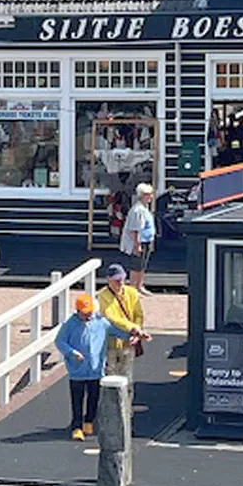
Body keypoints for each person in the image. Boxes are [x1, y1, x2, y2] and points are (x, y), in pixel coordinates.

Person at [55, 293, 134, 441]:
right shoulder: (70, 324)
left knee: (94, 398)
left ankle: (89, 421)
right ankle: (76, 427)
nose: (88, 316)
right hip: (77, 371)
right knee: (77, 400)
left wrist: (133, 335)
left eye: (90, 312)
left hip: (96, 369)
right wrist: (72, 353)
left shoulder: (100, 322)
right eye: (85, 314)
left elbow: (116, 331)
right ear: (77, 311)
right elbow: (60, 341)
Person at [97, 264, 151, 390]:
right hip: (111, 344)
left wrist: (137, 330)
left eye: (122, 279)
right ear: (108, 279)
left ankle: (127, 408)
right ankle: (111, 408)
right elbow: (111, 317)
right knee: (110, 378)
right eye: (116, 280)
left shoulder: (131, 292)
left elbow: (139, 314)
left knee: (127, 379)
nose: (120, 283)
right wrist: (134, 329)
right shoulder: (103, 296)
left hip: (129, 343)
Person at [121, 183, 157, 295]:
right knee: (136, 265)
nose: (151, 197)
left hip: (147, 240)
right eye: (149, 194)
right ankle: (133, 288)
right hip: (139, 241)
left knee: (142, 265)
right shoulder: (137, 210)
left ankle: (140, 285)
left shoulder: (145, 208)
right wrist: (137, 245)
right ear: (143, 195)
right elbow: (135, 229)